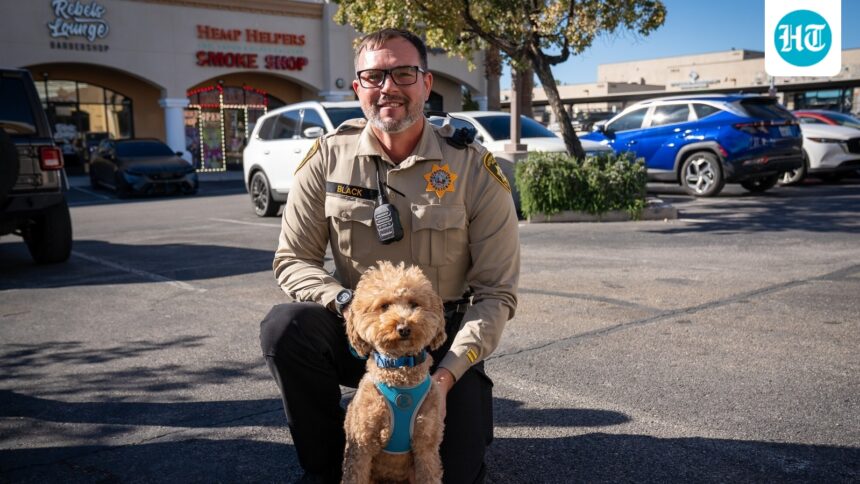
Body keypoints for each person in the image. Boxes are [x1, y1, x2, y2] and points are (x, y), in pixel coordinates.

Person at [259, 28, 520, 484]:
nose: (389, 88)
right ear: (357, 86)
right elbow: (292, 260)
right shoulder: (326, 158)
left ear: (425, 82)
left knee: (456, 473)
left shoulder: (471, 166)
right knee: (286, 327)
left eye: (403, 73)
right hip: (357, 331)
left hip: (440, 342)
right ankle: (326, 464)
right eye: (375, 76)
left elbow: (496, 292)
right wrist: (347, 307)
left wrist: (444, 378)